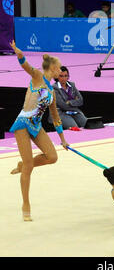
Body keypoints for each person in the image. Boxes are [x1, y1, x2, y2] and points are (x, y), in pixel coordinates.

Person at [9, 41, 69, 222]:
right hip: (22, 124)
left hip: (36, 126)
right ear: (53, 68)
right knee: (29, 167)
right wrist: (19, 54)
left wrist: (63, 139)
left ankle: (23, 165)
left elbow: (55, 116)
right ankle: (25, 204)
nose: (61, 71)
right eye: (59, 68)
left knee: (52, 157)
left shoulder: (51, 90)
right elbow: (25, 65)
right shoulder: (37, 77)